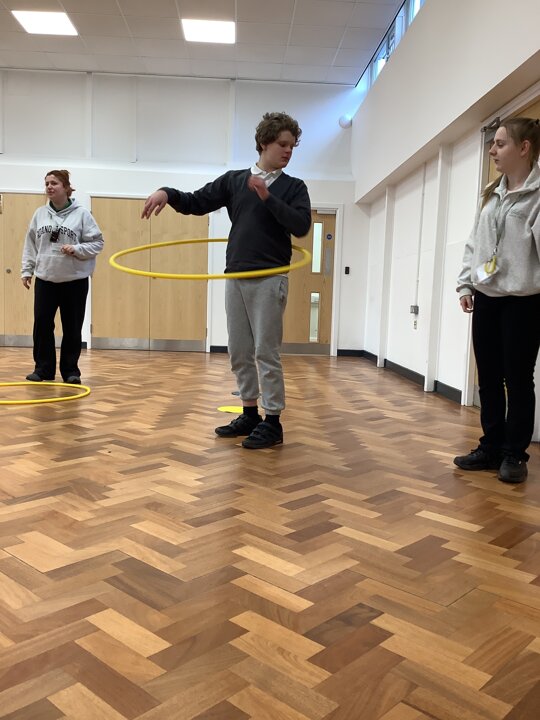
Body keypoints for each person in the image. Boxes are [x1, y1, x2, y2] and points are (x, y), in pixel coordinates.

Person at [142, 112, 311, 449]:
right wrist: (167, 193)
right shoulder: (235, 181)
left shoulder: (294, 187)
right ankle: (249, 414)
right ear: (264, 142)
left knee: (266, 352)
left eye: (292, 146)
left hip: (270, 276)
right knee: (239, 350)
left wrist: (268, 197)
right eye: (282, 144)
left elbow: (301, 226)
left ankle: (273, 422)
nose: (288, 151)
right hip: (236, 275)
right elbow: (196, 201)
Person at [454, 117, 540, 483]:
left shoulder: (537, 196)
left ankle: (514, 454)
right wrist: (465, 285)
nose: (492, 150)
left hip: (523, 301)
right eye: (493, 143)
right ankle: (490, 447)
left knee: (517, 380)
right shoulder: (492, 192)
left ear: (524, 148)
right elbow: (474, 242)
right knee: (488, 378)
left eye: (500, 143)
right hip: (487, 297)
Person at [21, 170, 104, 384]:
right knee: (42, 325)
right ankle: (43, 369)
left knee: (72, 327)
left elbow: (98, 243)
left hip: (74, 281)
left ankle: (70, 371)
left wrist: (77, 249)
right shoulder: (40, 214)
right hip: (45, 279)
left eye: (54, 183)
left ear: (66, 187)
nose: (49, 187)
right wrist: (27, 270)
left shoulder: (82, 214)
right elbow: (30, 244)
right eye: (47, 183)